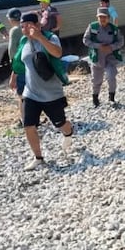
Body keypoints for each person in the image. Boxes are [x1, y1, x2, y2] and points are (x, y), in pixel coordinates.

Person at [9, 12, 74, 170]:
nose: (24, 29)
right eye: (22, 26)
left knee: (60, 123)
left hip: (51, 93)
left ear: (37, 25)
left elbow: (57, 53)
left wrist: (40, 38)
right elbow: (19, 60)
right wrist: (13, 76)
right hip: (31, 92)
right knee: (28, 125)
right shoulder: (24, 41)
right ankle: (38, 158)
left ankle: (68, 133)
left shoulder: (50, 37)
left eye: (28, 26)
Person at [82, 7, 125, 107]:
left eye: (104, 17)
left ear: (108, 18)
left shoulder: (114, 29)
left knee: (111, 77)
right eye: (100, 17)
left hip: (110, 57)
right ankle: (95, 98)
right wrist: (98, 46)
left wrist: (111, 47)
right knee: (96, 80)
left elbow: (121, 41)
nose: (102, 19)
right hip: (97, 57)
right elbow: (85, 40)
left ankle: (111, 98)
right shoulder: (92, 27)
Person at [6, 7, 25, 126]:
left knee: (22, 95)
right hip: (30, 64)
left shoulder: (14, 30)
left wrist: (13, 72)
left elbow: (13, 52)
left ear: (11, 19)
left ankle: (24, 120)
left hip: (20, 66)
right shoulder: (26, 27)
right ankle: (35, 117)